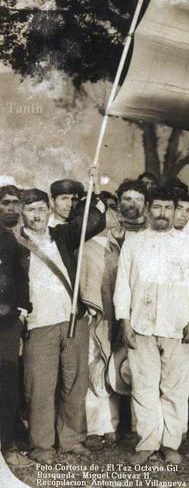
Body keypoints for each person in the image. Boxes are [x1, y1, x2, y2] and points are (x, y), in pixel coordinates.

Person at [114, 187, 189, 465]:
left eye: (169, 207)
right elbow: (123, 285)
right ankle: (146, 442)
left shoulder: (188, 243)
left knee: (175, 387)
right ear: (148, 209)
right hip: (141, 325)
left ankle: (171, 443)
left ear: (177, 210)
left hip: (177, 324)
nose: (163, 213)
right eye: (157, 207)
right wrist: (125, 320)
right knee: (143, 385)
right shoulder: (134, 242)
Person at [18, 188, 106, 463]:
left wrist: (91, 191)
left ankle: (71, 441)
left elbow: (94, 222)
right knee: (40, 388)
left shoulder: (62, 236)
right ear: (23, 213)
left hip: (72, 321)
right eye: (31, 210)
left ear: (49, 210)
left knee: (75, 383)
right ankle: (42, 446)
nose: (37, 215)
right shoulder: (13, 244)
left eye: (41, 209)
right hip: (38, 324)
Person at [81, 179, 149, 450]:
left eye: (138, 200)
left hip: (138, 315)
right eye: (125, 201)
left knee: (130, 369)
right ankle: (101, 426)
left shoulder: (147, 236)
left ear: (146, 204)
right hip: (104, 313)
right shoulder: (98, 242)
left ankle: (131, 427)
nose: (130, 206)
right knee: (99, 366)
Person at [0, 214, 31, 467]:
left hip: (5, 323)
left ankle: (7, 447)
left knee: (7, 385)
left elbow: (21, 279)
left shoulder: (7, 241)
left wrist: (20, 311)